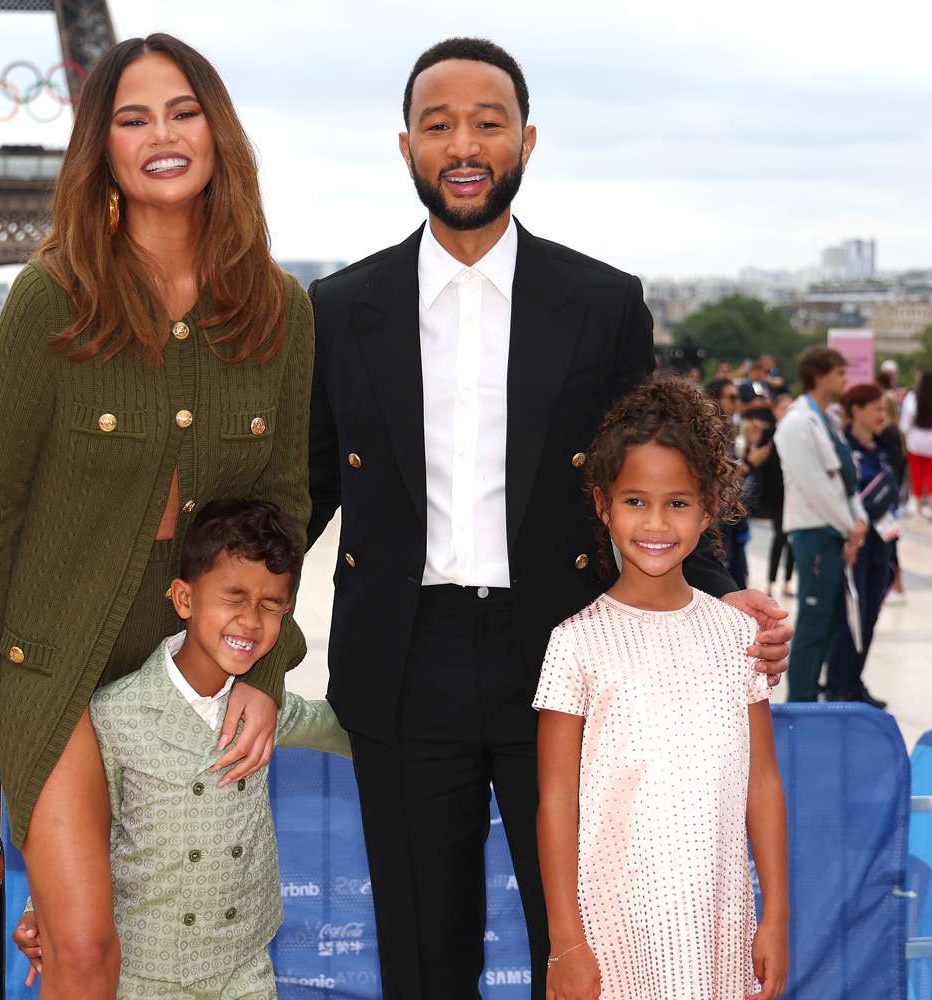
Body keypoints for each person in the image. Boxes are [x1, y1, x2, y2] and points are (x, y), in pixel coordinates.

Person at [305, 38, 791, 999]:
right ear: (405, 147)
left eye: (488, 122)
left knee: (588, 955)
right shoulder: (340, 307)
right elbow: (305, 486)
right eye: (439, 125)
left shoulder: (603, 303)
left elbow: (661, 456)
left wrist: (726, 589)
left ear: (527, 140)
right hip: (402, 663)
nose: (464, 144)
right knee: (422, 963)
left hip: (569, 656)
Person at [0, 34, 315, 997]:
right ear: (99, 148)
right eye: (132, 118)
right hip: (54, 662)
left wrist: (263, 664)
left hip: (190, 670)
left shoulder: (278, 309)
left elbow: (281, 505)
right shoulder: (50, 298)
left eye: (183, 111)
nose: (162, 135)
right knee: (87, 950)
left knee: (157, 938)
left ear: (218, 132)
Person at [13, 501, 350, 997]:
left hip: (244, 970)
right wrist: (36, 909)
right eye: (233, 597)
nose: (250, 622)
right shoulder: (116, 713)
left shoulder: (264, 711)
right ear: (184, 599)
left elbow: (348, 733)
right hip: (144, 973)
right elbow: (80, 827)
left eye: (270, 604)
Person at [534, 374, 788, 1000]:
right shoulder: (574, 643)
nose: (656, 522)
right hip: (610, 933)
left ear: (708, 508)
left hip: (719, 926)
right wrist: (565, 940)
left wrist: (776, 915)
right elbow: (555, 802)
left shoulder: (736, 637)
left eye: (678, 503)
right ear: (603, 505)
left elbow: (763, 783)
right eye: (635, 501)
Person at [773, 346, 868, 703]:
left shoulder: (827, 421)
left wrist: (858, 521)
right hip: (815, 530)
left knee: (828, 619)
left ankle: (812, 694)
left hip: (835, 530)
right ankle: (801, 701)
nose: (845, 380)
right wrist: (849, 526)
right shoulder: (797, 423)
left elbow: (845, 480)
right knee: (814, 621)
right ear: (820, 375)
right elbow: (813, 484)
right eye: (840, 374)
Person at [828, 384, 897, 710]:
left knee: (869, 616)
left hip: (881, 543)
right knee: (851, 616)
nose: (881, 415)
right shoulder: (844, 448)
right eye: (876, 409)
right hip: (854, 542)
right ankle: (838, 683)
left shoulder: (882, 448)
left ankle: (855, 681)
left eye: (884, 409)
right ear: (855, 410)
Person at [707, 377, 750, 589]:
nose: (736, 403)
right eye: (732, 397)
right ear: (715, 400)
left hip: (730, 517)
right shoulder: (707, 434)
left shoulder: (731, 430)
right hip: (714, 523)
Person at [751, 393, 795, 597]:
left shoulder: (798, 434)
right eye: (783, 407)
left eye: (790, 407)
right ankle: (771, 581)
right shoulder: (769, 433)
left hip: (795, 494)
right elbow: (759, 462)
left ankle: (787, 580)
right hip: (776, 494)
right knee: (780, 536)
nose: (787, 412)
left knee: (792, 538)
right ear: (775, 410)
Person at [900, 369, 932, 521]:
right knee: (931, 474)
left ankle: (919, 507)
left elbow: (906, 421)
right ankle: (931, 506)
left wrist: (905, 432)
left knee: (917, 473)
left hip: (916, 439)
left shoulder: (913, 397)